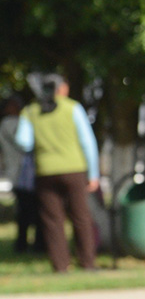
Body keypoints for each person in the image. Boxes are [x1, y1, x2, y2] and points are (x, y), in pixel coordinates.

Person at [13, 76, 99, 272]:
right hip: (74, 169)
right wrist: (93, 174)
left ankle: (60, 266)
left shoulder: (30, 110)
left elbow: (23, 142)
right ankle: (88, 262)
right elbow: (88, 142)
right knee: (81, 217)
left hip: (45, 171)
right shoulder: (72, 108)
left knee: (52, 221)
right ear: (61, 89)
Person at [1, 94, 36, 255]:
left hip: (20, 173)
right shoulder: (11, 123)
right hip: (21, 174)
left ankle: (24, 244)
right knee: (25, 211)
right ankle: (22, 244)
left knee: (26, 210)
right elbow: (24, 142)